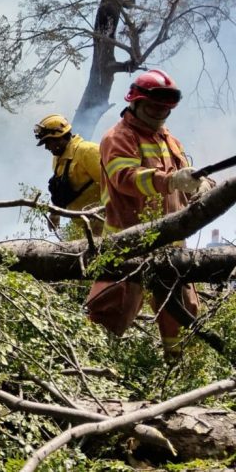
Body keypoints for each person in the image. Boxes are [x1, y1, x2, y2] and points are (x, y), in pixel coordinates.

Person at [88, 69, 212, 358]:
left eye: (165, 109)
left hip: (170, 243)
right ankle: (92, 367)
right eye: (153, 106)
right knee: (111, 307)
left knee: (182, 310)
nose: (159, 113)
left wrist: (202, 186)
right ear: (134, 102)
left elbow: (183, 181)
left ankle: (176, 368)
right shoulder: (118, 137)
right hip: (128, 239)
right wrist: (170, 180)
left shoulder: (170, 139)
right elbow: (126, 178)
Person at [33, 113, 103, 234]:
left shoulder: (87, 151)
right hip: (84, 228)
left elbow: (113, 184)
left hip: (105, 222)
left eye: (48, 142)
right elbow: (60, 189)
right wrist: (55, 214)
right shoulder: (57, 159)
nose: (47, 147)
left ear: (60, 136)